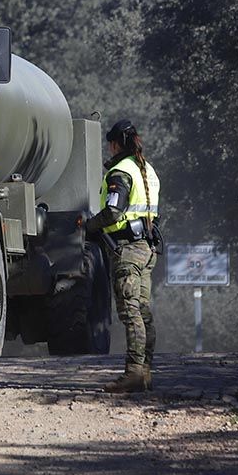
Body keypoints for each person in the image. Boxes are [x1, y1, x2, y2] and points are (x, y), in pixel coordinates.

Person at [85, 119, 161, 393]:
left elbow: (113, 213)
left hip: (127, 250)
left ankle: (133, 374)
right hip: (147, 248)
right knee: (143, 312)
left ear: (115, 143)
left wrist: (89, 225)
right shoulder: (146, 170)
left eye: (110, 144)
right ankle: (145, 372)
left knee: (131, 313)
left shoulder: (121, 172)